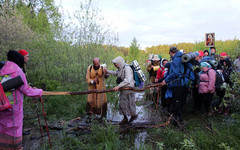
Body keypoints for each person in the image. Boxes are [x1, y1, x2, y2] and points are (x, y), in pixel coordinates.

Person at [0, 50, 43, 149]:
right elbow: (28, 91)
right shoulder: (17, 71)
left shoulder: (1, 68)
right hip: (14, 109)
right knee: (14, 131)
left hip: (2, 106)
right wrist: (40, 92)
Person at [104, 56, 137, 125]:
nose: (115, 65)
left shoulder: (127, 68)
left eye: (115, 64)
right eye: (114, 64)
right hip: (124, 88)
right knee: (122, 104)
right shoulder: (120, 68)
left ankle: (132, 116)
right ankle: (126, 118)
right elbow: (116, 73)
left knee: (130, 103)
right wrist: (108, 72)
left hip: (129, 89)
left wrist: (118, 86)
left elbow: (128, 80)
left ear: (119, 62)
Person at [161, 46, 187, 125]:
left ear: (171, 52)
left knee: (176, 103)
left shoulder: (176, 60)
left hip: (178, 85)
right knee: (178, 103)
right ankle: (176, 121)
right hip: (183, 84)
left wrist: (166, 80)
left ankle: (179, 122)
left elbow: (175, 73)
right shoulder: (181, 58)